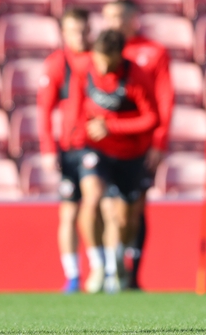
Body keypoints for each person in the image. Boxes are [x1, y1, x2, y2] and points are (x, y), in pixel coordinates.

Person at [68, 29, 159, 294]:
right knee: (92, 198)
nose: (101, 65)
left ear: (119, 55)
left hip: (130, 155)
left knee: (124, 219)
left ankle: (117, 264)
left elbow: (151, 119)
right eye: (98, 58)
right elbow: (76, 106)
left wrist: (111, 126)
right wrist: (77, 135)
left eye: (106, 59)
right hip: (95, 151)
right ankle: (98, 265)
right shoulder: (85, 69)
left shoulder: (136, 77)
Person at [101, 0, 174, 290]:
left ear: (134, 19)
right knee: (107, 207)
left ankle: (133, 272)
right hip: (106, 146)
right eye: (108, 17)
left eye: (118, 16)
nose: (113, 22)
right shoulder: (102, 51)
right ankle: (107, 268)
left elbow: (165, 99)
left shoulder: (153, 52)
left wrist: (159, 141)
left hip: (141, 143)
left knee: (135, 208)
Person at [36, 8, 99, 294]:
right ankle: (73, 274)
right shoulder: (57, 63)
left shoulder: (98, 59)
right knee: (69, 213)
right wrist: (48, 149)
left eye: (83, 30)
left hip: (94, 146)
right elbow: (44, 110)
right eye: (73, 30)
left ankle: (100, 266)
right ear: (64, 33)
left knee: (93, 201)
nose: (80, 36)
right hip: (66, 148)